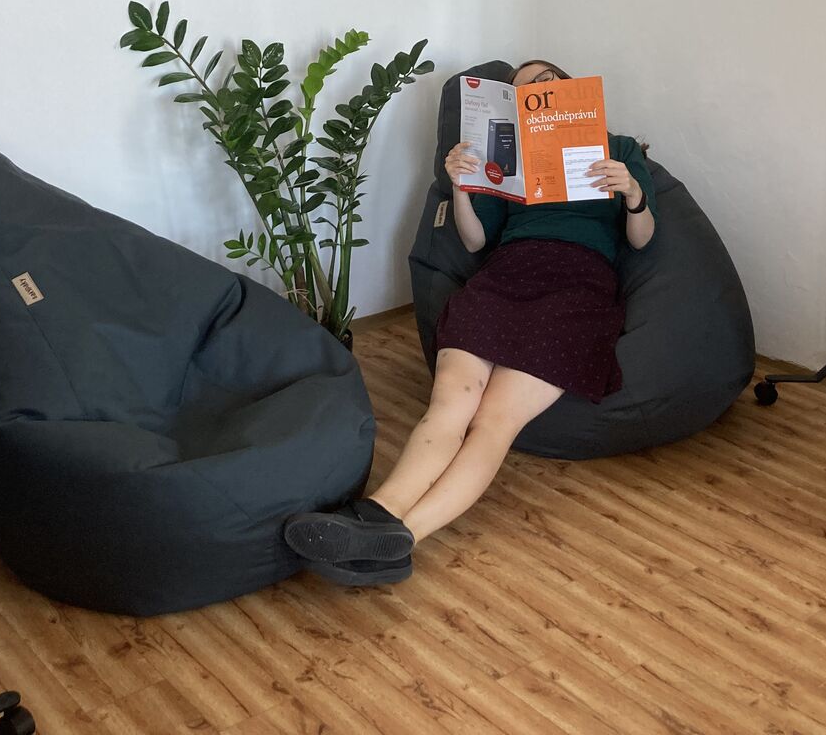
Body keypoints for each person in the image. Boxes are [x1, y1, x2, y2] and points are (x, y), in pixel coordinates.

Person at [281, 59, 658, 585]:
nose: (537, 91)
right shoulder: (507, 155)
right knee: (450, 406)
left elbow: (642, 239)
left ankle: (400, 538)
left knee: (493, 422)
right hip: (505, 275)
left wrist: (633, 194)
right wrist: (462, 186)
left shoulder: (617, 148)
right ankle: (378, 513)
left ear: (567, 86)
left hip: (578, 285)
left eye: (545, 80)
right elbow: (476, 240)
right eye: (522, 91)